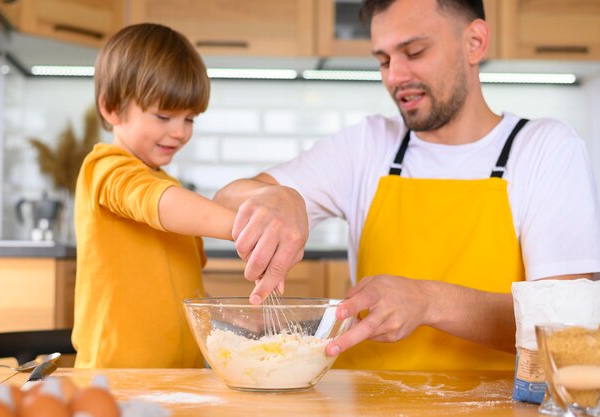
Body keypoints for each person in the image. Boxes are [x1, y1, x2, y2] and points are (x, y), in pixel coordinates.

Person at [214, 0, 600, 370]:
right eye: (383, 60)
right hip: (370, 402)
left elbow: (567, 326)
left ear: (475, 42)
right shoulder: (369, 145)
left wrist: (430, 301)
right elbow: (228, 199)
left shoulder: (544, 149)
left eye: (414, 52)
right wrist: (275, 196)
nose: (394, 76)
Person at [72, 23, 236, 368]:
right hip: (117, 378)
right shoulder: (105, 169)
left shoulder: (166, 182)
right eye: (164, 116)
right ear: (112, 108)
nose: (179, 132)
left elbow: (179, 284)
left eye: (190, 118)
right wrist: (248, 227)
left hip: (180, 377)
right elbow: (157, 200)